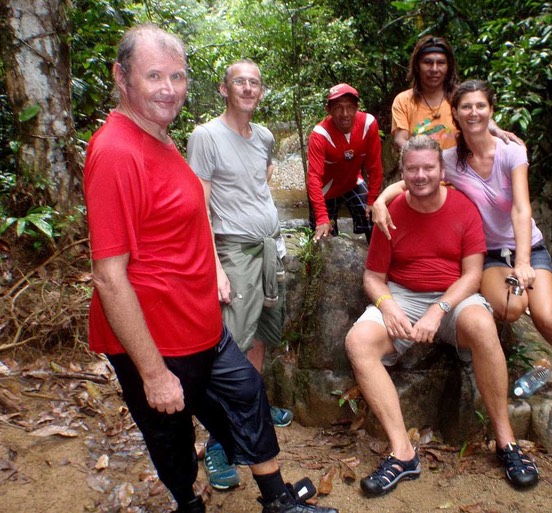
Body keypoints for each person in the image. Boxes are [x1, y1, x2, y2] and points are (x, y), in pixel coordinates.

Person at [83, 24, 337, 513]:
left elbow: (191, 211)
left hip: (198, 320)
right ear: (121, 77)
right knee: (171, 434)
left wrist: (213, 269)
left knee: (246, 393)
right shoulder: (116, 150)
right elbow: (109, 276)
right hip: (156, 334)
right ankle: (192, 504)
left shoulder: (158, 137)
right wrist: (153, 373)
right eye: (153, 75)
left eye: (176, 76)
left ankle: (277, 499)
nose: (168, 88)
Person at [345, 135, 539, 498]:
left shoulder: (464, 208)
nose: (420, 176)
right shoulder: (391, 212)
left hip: (454, 297)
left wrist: (439, 310)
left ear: (441, 170)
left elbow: (472, 274)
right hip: (402, 295)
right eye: (412, 169)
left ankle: (506, 442)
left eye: (428, 168)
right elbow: (373, 276)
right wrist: (388, 305)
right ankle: (402, 453)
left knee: (482, 325)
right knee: (358, 342)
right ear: (402, 172)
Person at [373, 79, 552, 400]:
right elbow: (414, 177)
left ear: (491, 110)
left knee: (545, 316)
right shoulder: (449, 160)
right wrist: (380, 201)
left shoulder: (512, 152)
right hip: (487, 252)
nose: (473, 112)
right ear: (455, 114)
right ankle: (478, 334)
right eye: (466, 107)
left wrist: (524, 261)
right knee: (511, 308)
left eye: (480, 106)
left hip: (527, 245)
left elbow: (520, 207)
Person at [186, 59, 294, 492]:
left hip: (269, 248)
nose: (248, 88)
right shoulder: (206, 136)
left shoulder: (264, 136)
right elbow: (199, 209)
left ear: (261, 91)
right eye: (239, 82)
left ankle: (255, 408)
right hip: (233, 253)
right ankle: (219, 441)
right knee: (229, 346)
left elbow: (259, 184)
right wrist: (214, 269)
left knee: (261, 333)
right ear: (224, 89)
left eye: (254, 82)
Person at [391, 35, 520, 151]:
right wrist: (427, 160)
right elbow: (400, 139)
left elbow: (480, 117)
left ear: (449, 66)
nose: (434, 69)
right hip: (423, 172)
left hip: (461, 172)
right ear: (417, 66)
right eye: (428, 62)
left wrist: (496, 130)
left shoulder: (460, 96)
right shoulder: (404, 100)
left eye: (441, 63)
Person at [306, 83, 383, 243]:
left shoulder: (368, 124)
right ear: (328, 109)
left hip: (352, 182)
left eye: (350, 107)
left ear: (357, 107)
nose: (345, 114)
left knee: (375, 219)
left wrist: (372, 200)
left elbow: (374, 166)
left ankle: (378, 265)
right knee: (322, 239)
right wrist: (321, 217)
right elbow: (313, 178)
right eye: (338, 108)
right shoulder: (320, 134)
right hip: (325, 190)